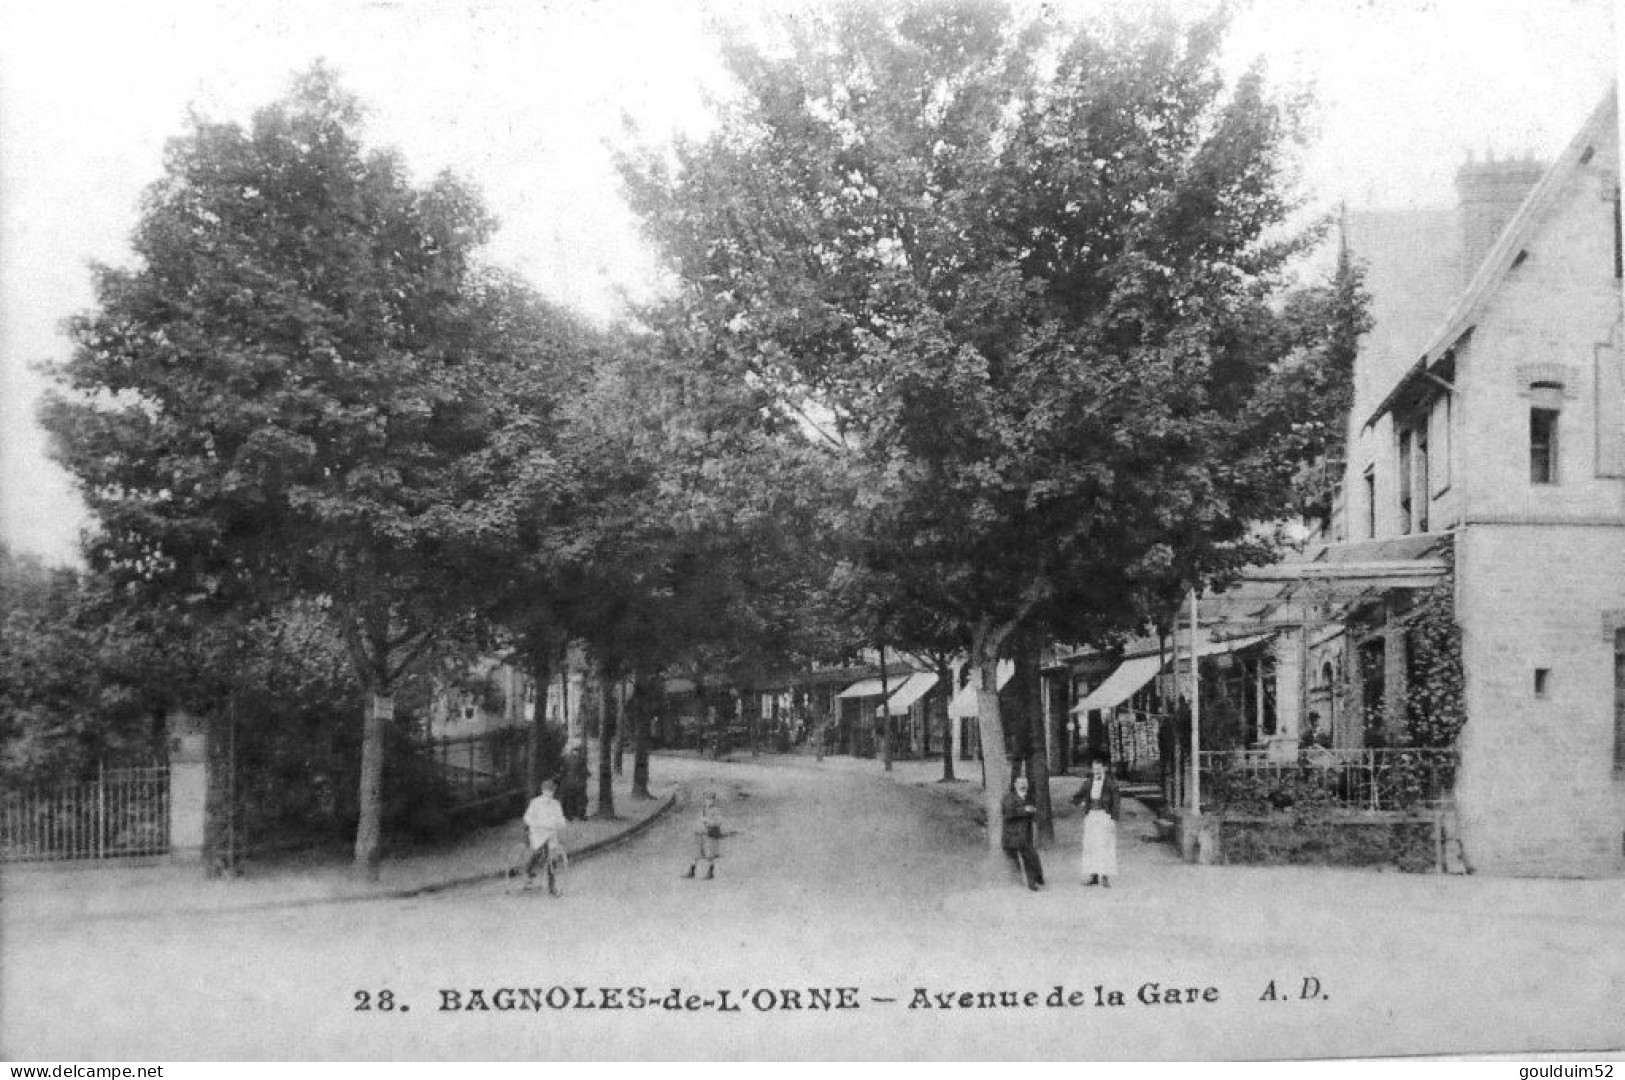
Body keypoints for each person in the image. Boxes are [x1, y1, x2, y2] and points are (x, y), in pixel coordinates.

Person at [1071, 753, 1121, 887]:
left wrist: (1113, 819)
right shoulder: (1088, 783)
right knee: (1091, 845)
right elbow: (1077, 797)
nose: (1097, 771)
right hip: (1092, 816)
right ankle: (1093, 875)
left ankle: (1105, 876)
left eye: (1099, 768)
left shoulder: (1111, 783)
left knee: (1105, 845)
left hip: (1105, 816)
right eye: (1094, 769)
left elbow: (1116, 803)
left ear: (1104, 768)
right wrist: (1081, 803)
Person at [520, 780, 568, 896]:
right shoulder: (535, 803)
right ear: (542, 791)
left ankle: (552, 886)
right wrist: (536, 824)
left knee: (551, 858)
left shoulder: (556, 804)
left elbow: (560, 818)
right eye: (547, 791)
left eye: (551, 791)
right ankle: (528, 870)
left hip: (550, 834)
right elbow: (527, 818)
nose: (549, 794)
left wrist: (561, 823)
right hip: (538, 833)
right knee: (541, 851)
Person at [1000, 773, 1045, 891]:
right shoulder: (1009, 798)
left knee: (1031, 858)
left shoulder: (1030, 798)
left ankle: (1034, 881)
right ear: (1015, 785)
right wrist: (1025, 810)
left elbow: (1036, 813)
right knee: (1019, 860)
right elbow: (1008, 814)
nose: (1023, 785)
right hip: (1012, 835)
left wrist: (1034, 812)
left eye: (1025, 783)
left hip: (1025, 834)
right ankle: (1021, 882)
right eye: (1020, 783)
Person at [684, 790, 725, 880]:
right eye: (707, 799)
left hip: (709, 834)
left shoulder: (716, 810)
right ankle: (692, 871)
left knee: (709, 855)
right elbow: (698, 821)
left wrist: (708, 821)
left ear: (714, 800)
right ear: (704, 799)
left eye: (711, 799)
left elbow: (719, 822)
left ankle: (710, 872)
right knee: (696, 852)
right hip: (700, 834)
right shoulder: (703, 809)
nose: (708, 801)